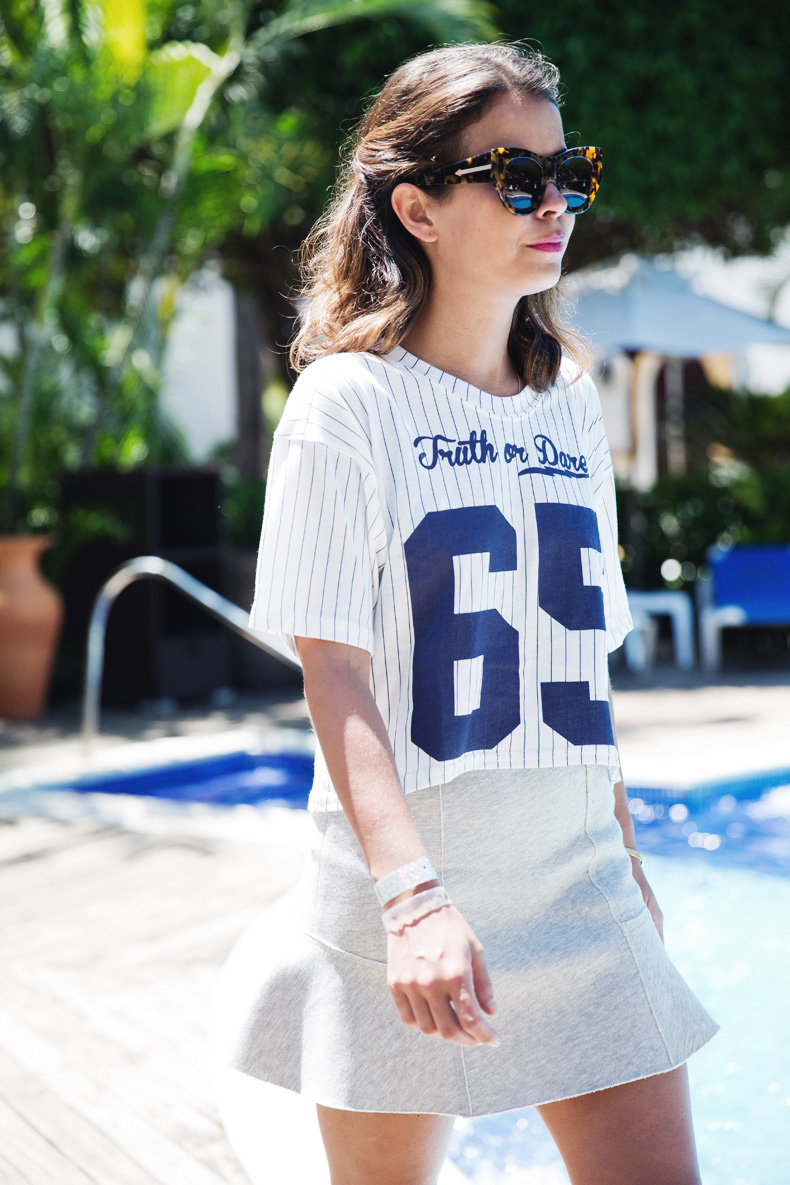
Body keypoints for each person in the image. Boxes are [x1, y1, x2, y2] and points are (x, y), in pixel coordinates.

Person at [223, 42, 719, 1185]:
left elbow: (578, 663)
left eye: (570, 172)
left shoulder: (570, 403)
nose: (555, 204)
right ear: (417, 208)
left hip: (578, 877)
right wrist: (410, 901)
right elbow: (332, 672)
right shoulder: (347, 404)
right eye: (513, 175)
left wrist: (627, 850)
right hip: (412, 892)